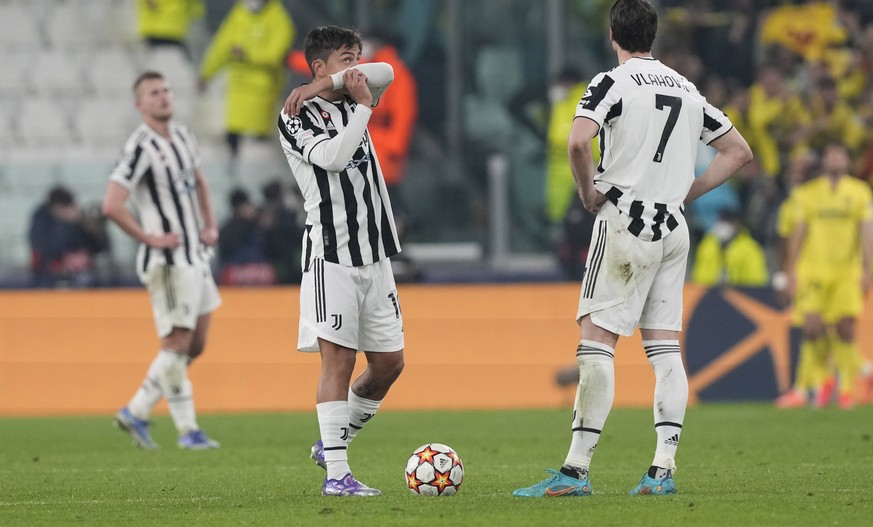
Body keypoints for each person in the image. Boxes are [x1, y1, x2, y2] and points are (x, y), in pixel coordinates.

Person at [513, 0, 752, 498]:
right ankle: (662, 470)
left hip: (626, 222)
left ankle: (575, 472)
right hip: (673, 228)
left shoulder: (611, 83)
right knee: (665, 350)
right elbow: (738, 151)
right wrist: (685, 192)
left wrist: (586, 194)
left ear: (612, 34)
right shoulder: (686, 88)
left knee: (596, 342)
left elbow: (579, 143)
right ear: (654, 34)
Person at [278, 25, 403, 497]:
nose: (357, 68)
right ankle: (337, 475)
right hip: (332, 251)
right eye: (346, 59)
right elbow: (332, 158)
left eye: (357, 58)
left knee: (390, 362)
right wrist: (361, 107)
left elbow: (387, 69)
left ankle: (332, 444)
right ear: (319, 64)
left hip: (375, 251)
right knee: (339, 361)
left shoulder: (351, 90)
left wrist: (328, 85)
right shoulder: (295, 115)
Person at [103, 71, 221, 450]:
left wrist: (210, 224)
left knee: (195, 343)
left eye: (166, 90)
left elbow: (199, 180)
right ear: (141, 105)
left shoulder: (183, 135)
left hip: (195, 255)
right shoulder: (139, 147)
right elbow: (112, 204)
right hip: (168, 260)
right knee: (176, 341)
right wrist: (149, 236)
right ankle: (187, 430)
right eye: (154, 93)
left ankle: (137, 410)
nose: (164, 96)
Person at [780, 142, 873, 409]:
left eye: (840, 155)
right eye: (831, 154)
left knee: (845, 329)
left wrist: (867, 270)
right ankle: (826, 378)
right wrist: (791, 269)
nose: (835, 159)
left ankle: (845, 390)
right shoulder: (809, 193)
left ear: (847, 161)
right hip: (813, 269)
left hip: (847, 270)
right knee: (811, 328)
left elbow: (866, 233)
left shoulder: (859, 191)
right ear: (824, 161)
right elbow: (797, 232)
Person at [199, 0, 295, 156]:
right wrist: (206, 73)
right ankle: (236, 176)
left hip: (263, 92)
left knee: (257, 144)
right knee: (233, 139)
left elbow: (276, 54)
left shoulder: (279, 19)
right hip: (237, 89)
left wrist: (247, 54)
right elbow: (221, 46)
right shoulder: (239, 14)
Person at [28, 186, 109, 288]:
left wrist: (86, 225)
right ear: (56, 207)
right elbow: (44, 246)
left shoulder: (79, 221)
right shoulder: (42, 220)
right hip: (47, 276)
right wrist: (65, 223)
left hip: (81, 276)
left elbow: (100, 247)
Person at [690, 209, 768, 287]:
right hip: (707, 293)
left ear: (738, 225)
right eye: (722, 221)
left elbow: (756, 281)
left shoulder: (750, 248)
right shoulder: (707, 245)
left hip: (738, 294)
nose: (723, 226)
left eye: (728, 222)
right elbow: (698, 275)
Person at [136, 0, 204, 53]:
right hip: (173, 28)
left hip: (150, 28)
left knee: (151, 63)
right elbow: (196, 10)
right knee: (175, 62)